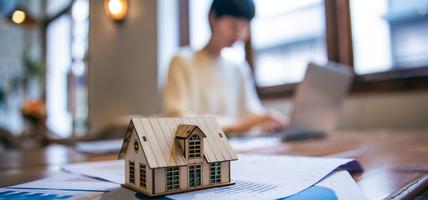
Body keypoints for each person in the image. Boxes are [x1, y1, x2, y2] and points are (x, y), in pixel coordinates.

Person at [163, 0, 287, 134]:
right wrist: (237, 125)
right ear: (212, 18)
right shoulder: (182, 61)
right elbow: (177, 117)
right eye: (233, 26)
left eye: (244, 27)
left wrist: (268, 120)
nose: (239, 33)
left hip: (242, 147)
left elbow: (253, 112)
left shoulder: (239, 69)